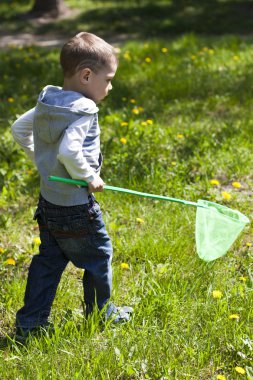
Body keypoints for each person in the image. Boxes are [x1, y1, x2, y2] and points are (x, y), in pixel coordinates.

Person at [11, 32, 133, 341]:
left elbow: (19, 129)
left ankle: (30, 324)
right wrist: (89, 177)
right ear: (86, 75)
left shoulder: (49, 100)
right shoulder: (84, 109)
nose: (110, 86)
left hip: (49, 202)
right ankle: (101, 313)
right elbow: (69, 151)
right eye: (107, 80)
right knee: (99, 254)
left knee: (49, 261)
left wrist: (41, 160)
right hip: (76, 206)